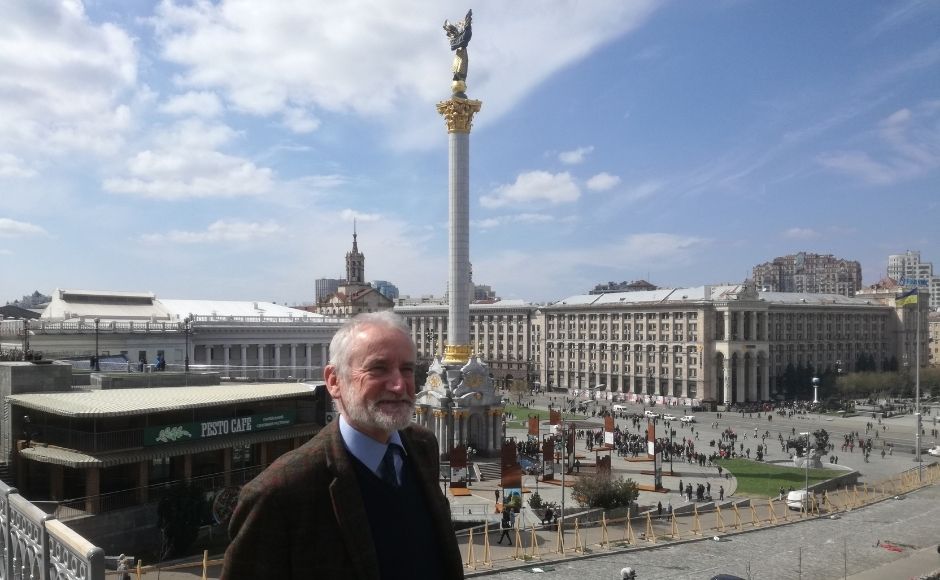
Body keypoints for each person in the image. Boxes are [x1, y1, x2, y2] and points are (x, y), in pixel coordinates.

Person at [221, 312, 463, 579]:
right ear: (334, 381)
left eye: (406, 369)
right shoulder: (278, 493)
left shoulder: (422, 446)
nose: (399, 384)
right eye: (378, 368)